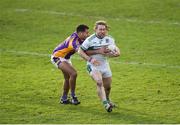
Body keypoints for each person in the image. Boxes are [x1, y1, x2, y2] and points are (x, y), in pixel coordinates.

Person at [78, 21, 120, 112]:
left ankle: (107, 99)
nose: (102, 31)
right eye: (100, 29)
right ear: (96, 30)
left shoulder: (110, 39)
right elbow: (80, 51)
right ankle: (106, 104)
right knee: (99, 82)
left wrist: (116, 53)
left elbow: (113, 49)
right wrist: (90, 59)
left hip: (104, 64)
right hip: (93, 65)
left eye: (104, 29)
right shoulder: (90, 40)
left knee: (108, 87)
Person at [51, 24, 89, 105]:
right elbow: (80, 51)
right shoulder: (74, 41)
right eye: (86, 33)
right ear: (81, 33)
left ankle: (64, 99)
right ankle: (73, 96)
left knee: (67, 78)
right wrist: (89, 59)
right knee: (73, 73)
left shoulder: (79, 36)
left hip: (66, 58)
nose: (88, 34)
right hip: (57, 57)